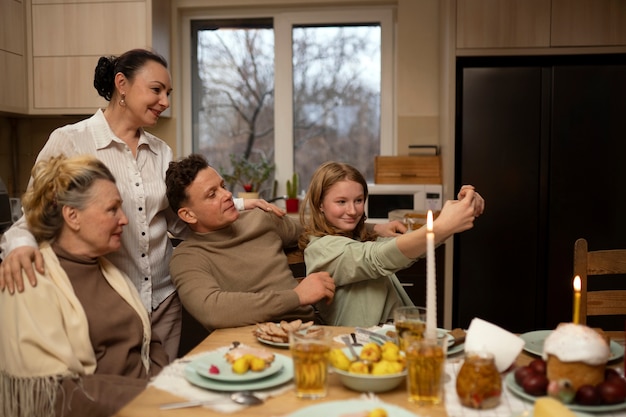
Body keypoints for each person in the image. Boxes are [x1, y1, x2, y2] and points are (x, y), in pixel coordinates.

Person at [0, 49, 281, 360]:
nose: (165, 101)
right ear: (122, 84)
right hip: (106, 301)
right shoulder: (70, 141)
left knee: (160, 394)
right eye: (156, 90)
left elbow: (178, 220)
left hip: (163, 300)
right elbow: (32, 216)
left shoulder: (161, 151)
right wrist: (18, 247)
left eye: (168, 93)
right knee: (117, 395)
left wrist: (240, 208)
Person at [0, 154, 169, 417]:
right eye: (112, 209)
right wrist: (152, 397)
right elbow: (52, 393)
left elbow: (150, 344)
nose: (124, 219)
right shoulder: (31, 279)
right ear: (72, 216)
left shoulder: (110, 270)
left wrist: (166, 392)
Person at [298, 161, 485, 327]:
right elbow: (376, 257)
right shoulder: (321, 249)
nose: (352, 210)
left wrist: (459, 210)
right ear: (320, 204)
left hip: (389, 338)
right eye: (341, 202)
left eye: (359, 200)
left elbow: (412, 246)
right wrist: (440, 227)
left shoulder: (358, 237)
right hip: (356, 348)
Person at [164, 154, 336, 330]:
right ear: (188, 215)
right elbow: (212, 310)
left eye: (223, 186)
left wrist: (361, 231)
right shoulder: (187, 257)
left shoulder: (259, 219)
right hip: (245, 344)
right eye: (212, 194)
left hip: (306, 330)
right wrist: (297, 296)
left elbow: (316, 230)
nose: (227, 194)